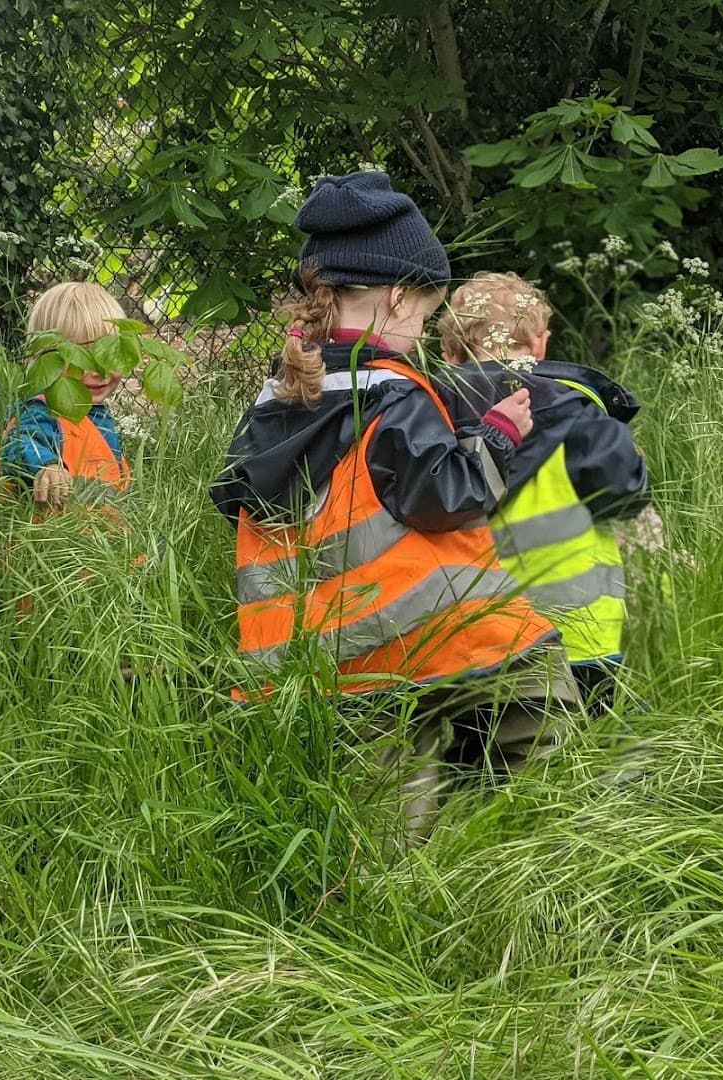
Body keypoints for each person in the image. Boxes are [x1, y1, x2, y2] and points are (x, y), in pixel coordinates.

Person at [210, 172, 580, 844]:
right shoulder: (393, 392)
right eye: (426, 315)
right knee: (540, 707)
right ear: (399, 296)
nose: (422, 331)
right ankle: (528, 850)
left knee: (382, 816)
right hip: (426, 628)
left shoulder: (276, 399)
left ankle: (388, 889)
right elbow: (446, 497)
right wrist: (497, 437)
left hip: (317, 660)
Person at [435, 272, 650, 714]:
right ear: (540, 344)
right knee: (594, 741)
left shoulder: (430, 418)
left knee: (488, 748)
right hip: (582, 636)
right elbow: (625, 495)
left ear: (451, 354)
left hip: (471, 641)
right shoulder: (580, 414)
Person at [0, 281, 131, 509]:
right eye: (82, 358)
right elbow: (21, 442)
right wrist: (46, 466)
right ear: (46, 358)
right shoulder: (42, 411)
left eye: (109, 356)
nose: (101, 372)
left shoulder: (96, 413)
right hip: (53, 530)